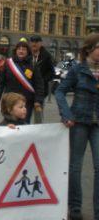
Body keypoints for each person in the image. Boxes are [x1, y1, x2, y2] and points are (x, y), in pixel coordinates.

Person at [55, 33, 99, 220]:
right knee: (75, 167)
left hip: (97, 124)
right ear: (90, 49)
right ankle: (75, 208)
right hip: (79, 122)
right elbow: (60, 91)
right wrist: (66, 113)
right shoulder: (77, 69)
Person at [0, 41, 44, 124]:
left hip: (26, 101)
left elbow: (39, 84)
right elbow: (1, 82)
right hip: (10, 100)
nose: (21, 51)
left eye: (24, 49)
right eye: (19, 49)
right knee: (9, 122)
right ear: (16, 51)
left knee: (24, 122)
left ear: (27, 52)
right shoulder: (8, 63)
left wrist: (38, 100)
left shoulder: (33, 65)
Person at [29, 35, 55, 123]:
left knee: (38, 112)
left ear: (41, 43)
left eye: (36, 42)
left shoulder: (46, 56)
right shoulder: (27, 54)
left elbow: (52, 72)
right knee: (24, 111)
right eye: (32, 41)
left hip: (40, 90)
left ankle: (37, 129)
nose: (34, 44)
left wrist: (42, 81)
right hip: (27, 88)